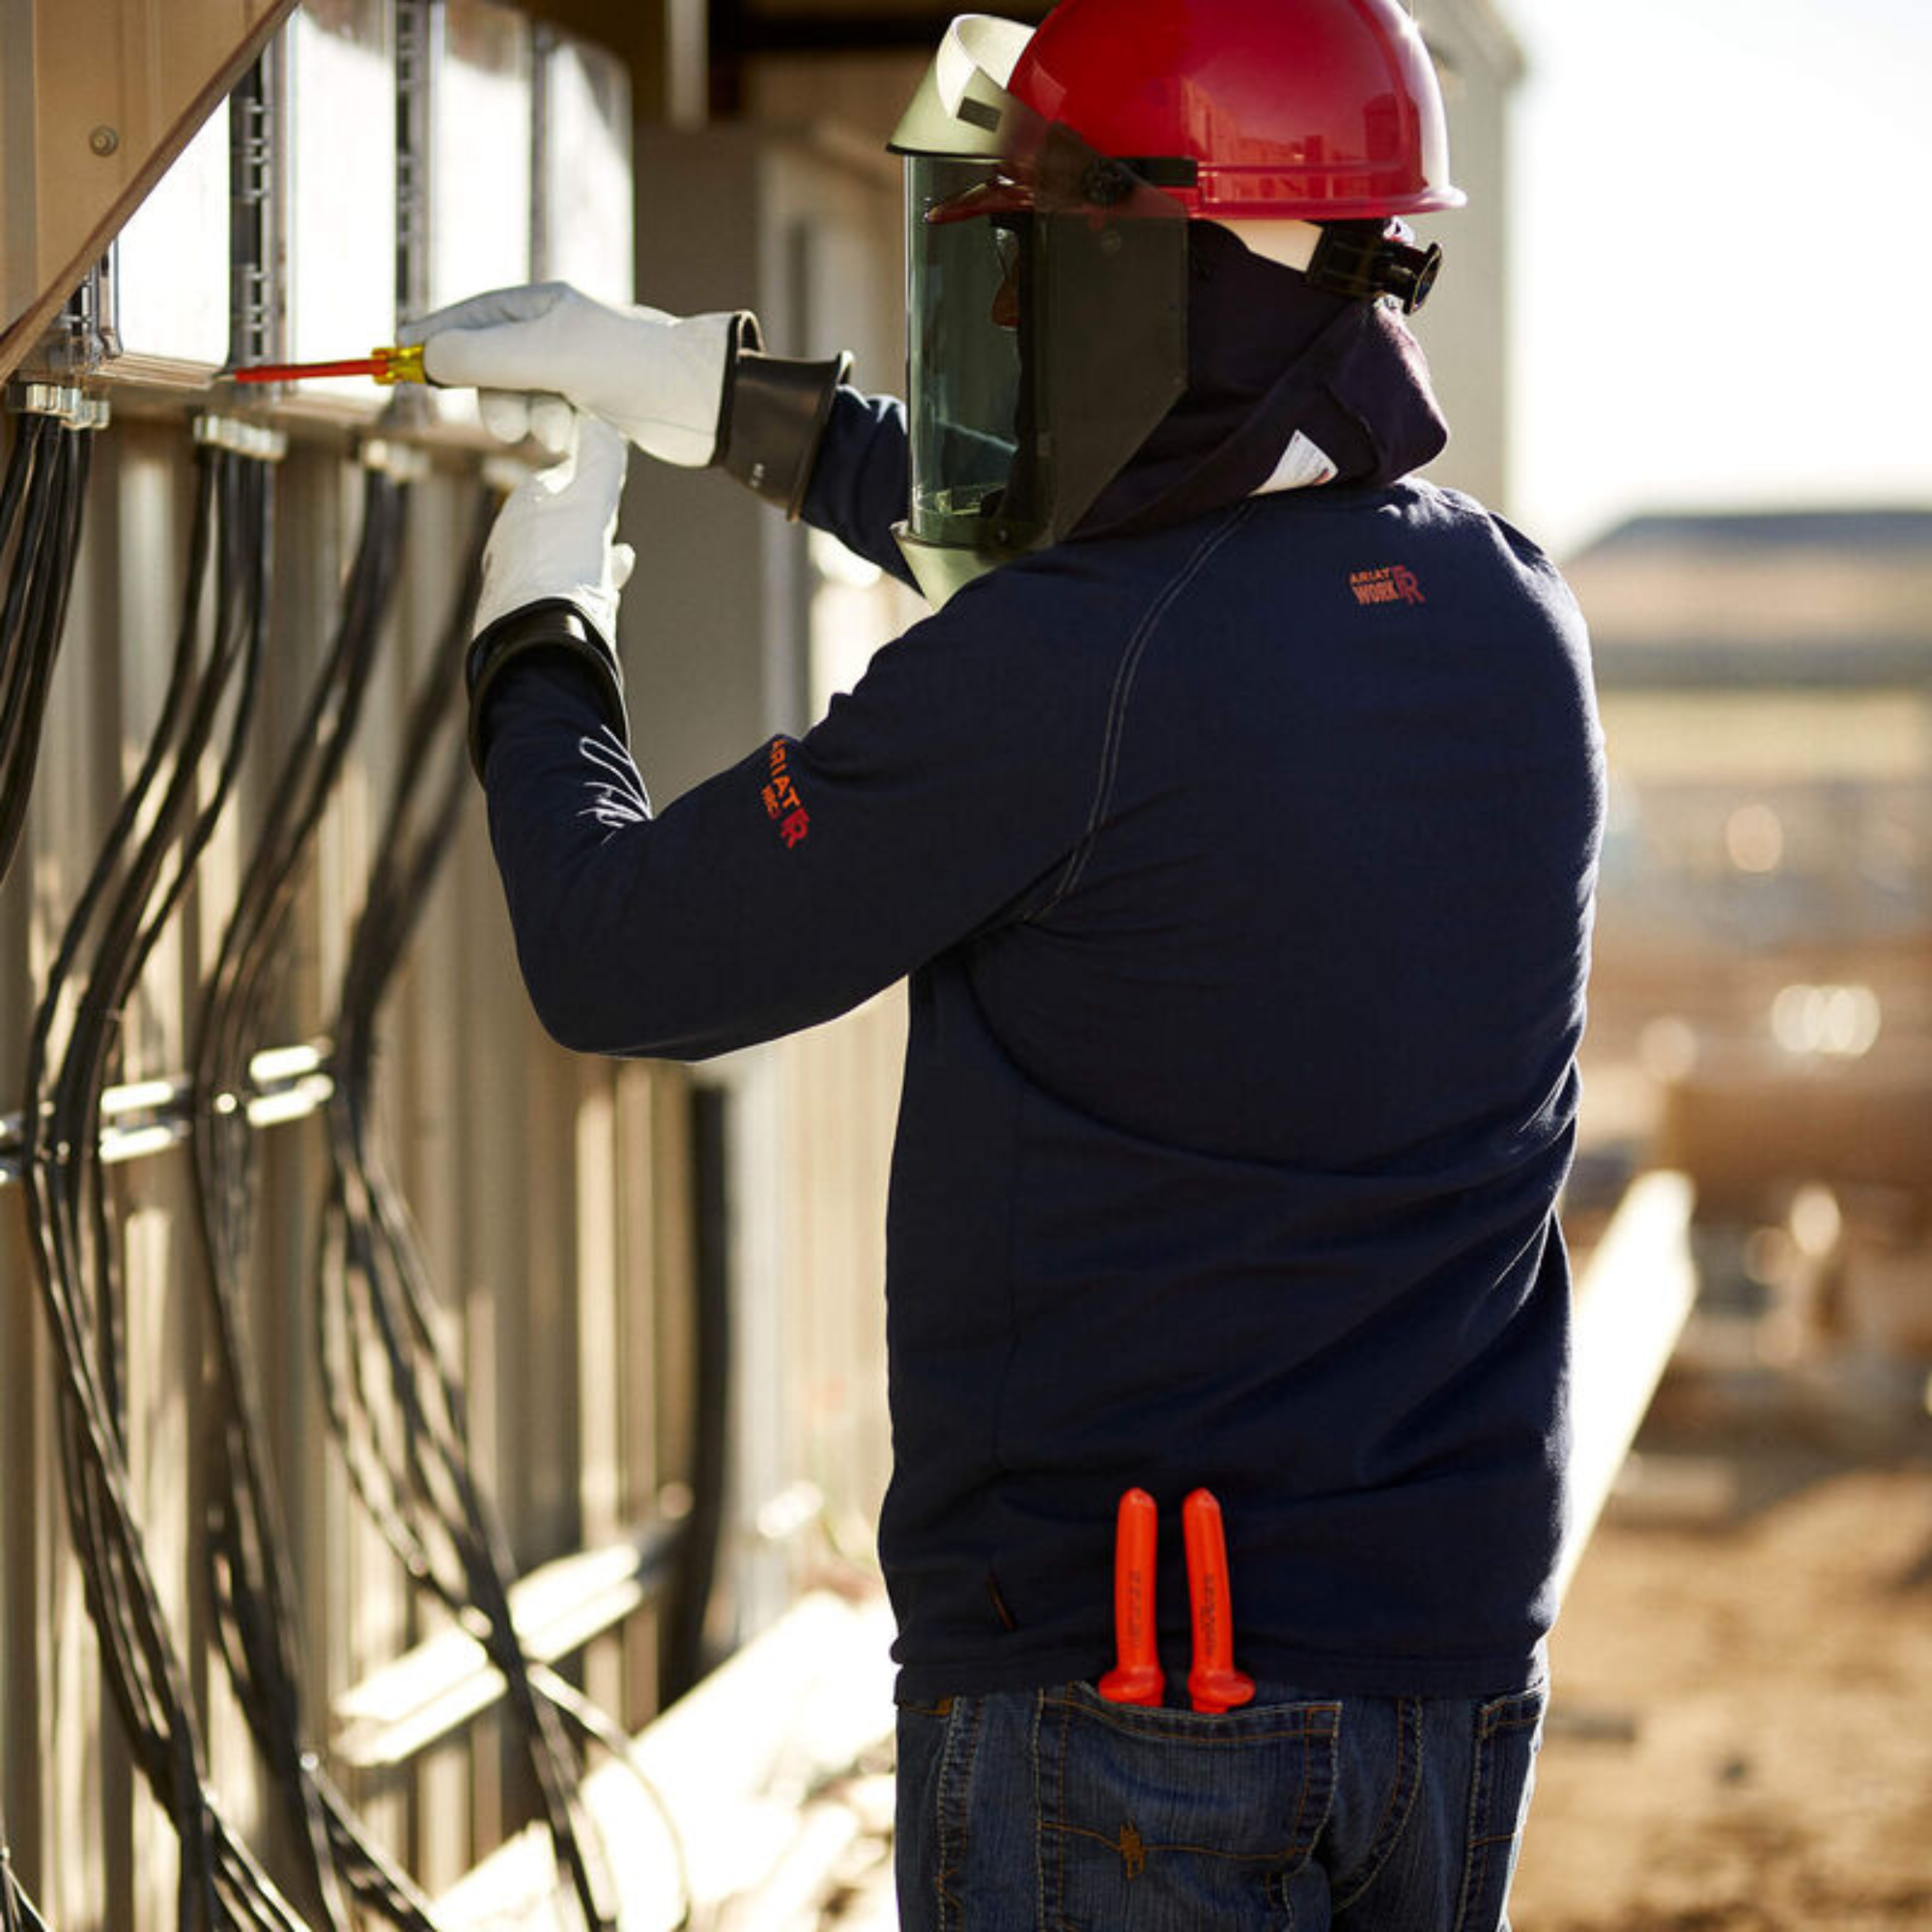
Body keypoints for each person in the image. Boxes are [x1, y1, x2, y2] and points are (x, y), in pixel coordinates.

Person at [404, 0, 1603, 1922]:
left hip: (1135, 1700)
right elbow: (1100, 546)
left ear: (1156, 272)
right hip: (1443, 1684)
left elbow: (616, 954)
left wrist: (541, 635)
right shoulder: (1503, 610)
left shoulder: (1060, 670)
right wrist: (709, 394)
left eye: (1043, 252)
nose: (1019, 309)